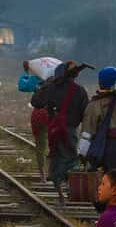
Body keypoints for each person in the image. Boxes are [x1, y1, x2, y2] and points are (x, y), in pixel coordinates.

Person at [31, 61, 89, 204]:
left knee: (56, 158)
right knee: (72, 158)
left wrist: (44, 86)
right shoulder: (80, 90)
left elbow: (36, 102)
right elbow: (85, 113)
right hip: (71, 131)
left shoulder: (51, 88)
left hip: (54, 129)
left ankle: (60, 194)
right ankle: (71, 189)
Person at [79, 66, 116, 172]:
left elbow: (87, 132)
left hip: (98, 147)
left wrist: (82, 154)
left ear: (100, 82)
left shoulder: (94, 104)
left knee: (101, 181)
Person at [18, 61, 49, 184]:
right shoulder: (57, 82)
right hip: (53, 116)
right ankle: (53, 172)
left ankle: (43, 175)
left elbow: (22, 86)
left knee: (40, 147)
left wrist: (26, 72)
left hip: (38, 116)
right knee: (54, 146)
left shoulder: (36, 80)